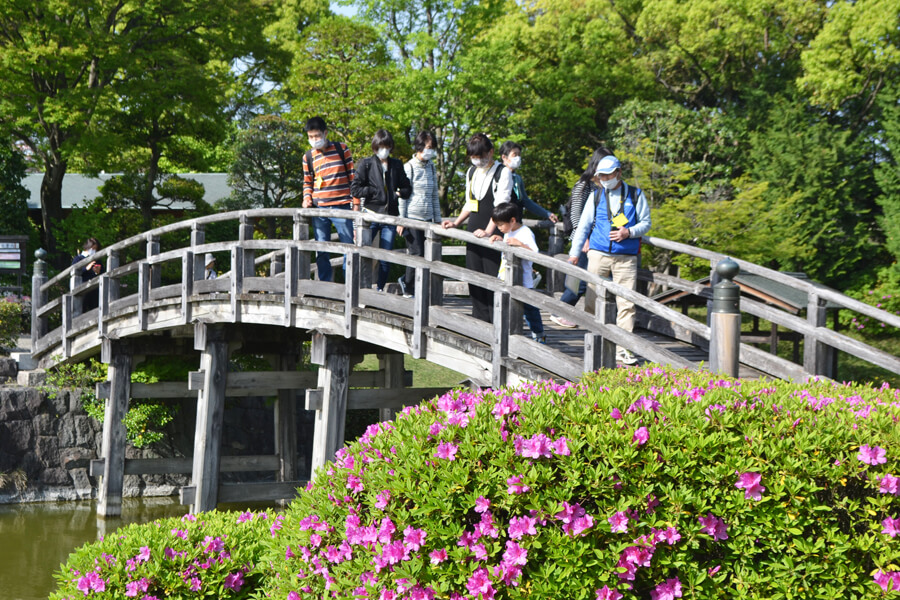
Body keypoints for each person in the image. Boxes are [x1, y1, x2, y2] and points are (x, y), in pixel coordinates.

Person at [568, 154, 651, 365]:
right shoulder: (595, 196)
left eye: (607, 175)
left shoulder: (635, 194)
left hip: (626, 257)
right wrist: (574, 253)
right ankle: (595, 338)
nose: (604, 180)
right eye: (601, 176)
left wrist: (629, 232)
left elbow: (646, 223)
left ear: (618, 173)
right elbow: (583, 226)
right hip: (598, 253)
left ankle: (623, 348)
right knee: (592, 298)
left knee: (626, 303)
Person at [442, 133, 512, 322]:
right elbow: (469, 202)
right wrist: (456, 222)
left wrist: (489, 231)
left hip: (493, 231)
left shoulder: (502, 172)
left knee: (492, 277)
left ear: (490, 152)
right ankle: (479, 321)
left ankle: (495, 321)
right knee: (474, 277)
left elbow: (500, 205)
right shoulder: (471, 172)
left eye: (480, 156)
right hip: (473, 229)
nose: (477, 160)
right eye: (474, 157)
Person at [550, 147, 614, 328]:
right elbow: (576, 215)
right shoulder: (584, 185)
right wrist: (583, 239)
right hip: (583, 241)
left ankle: (562, 312)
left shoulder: (602, 186)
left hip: (596, 241)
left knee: (585, 281)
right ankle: (559, 312)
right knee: (578, 281)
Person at [350, 129, 412, 292]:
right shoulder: (367, 164)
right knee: (365, 253)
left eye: (386, 146)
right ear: (375, 147)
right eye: (380, 147)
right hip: (370, 214)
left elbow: (407, 188)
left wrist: (397, 193)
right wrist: (372, 191)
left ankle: (379, 288)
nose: (383, 150)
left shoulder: (396, 165)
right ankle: (362, 289)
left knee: (385, 256)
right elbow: (355, 189)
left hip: (389, 217)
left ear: (391, 147)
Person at [302, 116, 356, 282]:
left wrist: (356, 203)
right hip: (319, 208)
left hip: (342, 206)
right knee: (321, 249)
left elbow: (353, 178)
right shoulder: (308, 157)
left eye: (317, 136)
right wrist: (306, 197)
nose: (314, 140)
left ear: (325, 133)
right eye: (311, 137)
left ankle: (349, 285)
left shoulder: (342, 149)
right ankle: (325, 285)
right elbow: (307, 181)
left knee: (348, 247)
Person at [490, 202, 545, 343]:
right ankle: (506, 335)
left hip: (524, 281)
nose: (499, 228)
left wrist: (521, 245)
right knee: (505, 307)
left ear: (512, 220)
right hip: (506, 277)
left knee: (530, 310)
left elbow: (535, 254)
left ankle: (539, 335)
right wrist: (500, 240)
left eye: (501, 225)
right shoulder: (509, 232)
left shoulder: (525, 232)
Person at [397, 130, 441, 298]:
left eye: (432, 148)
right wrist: (402, 220)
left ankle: (417, 287)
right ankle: (408, 287)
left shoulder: (431, 166)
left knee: (428, 255)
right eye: (428, 147)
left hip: (428, 218)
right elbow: (403, 195)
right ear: (420, 147)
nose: (430, 151)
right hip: (413, 217)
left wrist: (437, 219)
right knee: (416, 253)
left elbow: (434, 194)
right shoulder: (409, 167)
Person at [498, 141, 558, 224]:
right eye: (514, 155)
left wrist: (546, 214)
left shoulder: (517, 178)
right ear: (504, 157)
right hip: (501, 223)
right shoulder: (497, 176)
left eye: (519, 155)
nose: (518, 158)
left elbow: (526, 201)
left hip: (515, 223)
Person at [71, 238, 103, 311]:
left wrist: (97, 272)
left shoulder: (97, 260)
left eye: (95, 249)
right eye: (92, 248)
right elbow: (73, 272)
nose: (93, 251)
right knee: (82, 309)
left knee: (95, 308)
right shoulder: (78, 259)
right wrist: (86, 268)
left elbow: (102, 272)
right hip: (82, 288)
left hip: (94, 289)